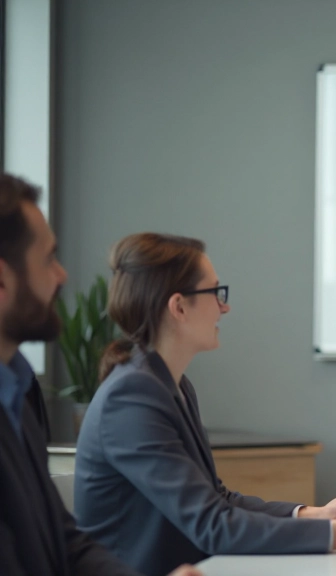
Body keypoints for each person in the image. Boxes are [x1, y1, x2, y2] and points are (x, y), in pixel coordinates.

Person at [74, 233, 336, 576]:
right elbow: (214, 525)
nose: (224, 307)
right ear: (179, 306)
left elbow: (217, 499)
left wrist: (317, 515)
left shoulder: (171, 385)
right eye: (215, 293)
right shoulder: (132, 397)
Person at [0, 174, 200, 576]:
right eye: (48, 260)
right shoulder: (134, 391)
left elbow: (65, 541)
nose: (62, 276)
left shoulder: (20, 393)